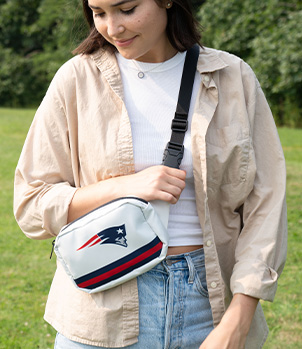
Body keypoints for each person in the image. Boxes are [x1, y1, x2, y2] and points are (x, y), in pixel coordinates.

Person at [14, 0, 287, 348]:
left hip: (210, 305)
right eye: (99, 13)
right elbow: (31, 203)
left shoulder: (232, 76)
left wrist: (239, 318)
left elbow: (267, 205)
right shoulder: (77, 79)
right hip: (102, 306)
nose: (112, 28)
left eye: (126, 9)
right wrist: (125, 188)